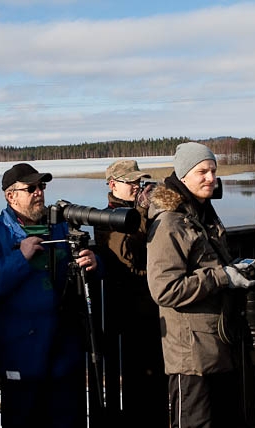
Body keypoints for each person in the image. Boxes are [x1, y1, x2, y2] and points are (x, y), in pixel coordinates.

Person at [0, 163, 99, 428]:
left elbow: (84, 272)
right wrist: (21, 257)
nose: (39, 192)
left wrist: (95, 262)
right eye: (31, 188)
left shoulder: (61, 228)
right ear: (11, 195)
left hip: (64, 353)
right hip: (22, 357)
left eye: (42, 187)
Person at [146, 142, 254, 428]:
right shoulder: (169, 222)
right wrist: (223, 277)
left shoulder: (201, 213)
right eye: (202, 172)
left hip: (217, 342)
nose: (211, 178)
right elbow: (164, 289)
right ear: (183, 176)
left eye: (214, 171)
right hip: (190, 355)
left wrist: (234, 270)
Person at [94, 160, 167, 427]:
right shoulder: (105, 217)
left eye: (140, 182)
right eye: (131, 183)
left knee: (158, 381)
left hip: (154, 310)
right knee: (135, 382)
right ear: (112, 184)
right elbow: (127, 256)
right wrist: (142, 210)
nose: (137, 188)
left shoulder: (144, 212)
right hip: (126, 313)